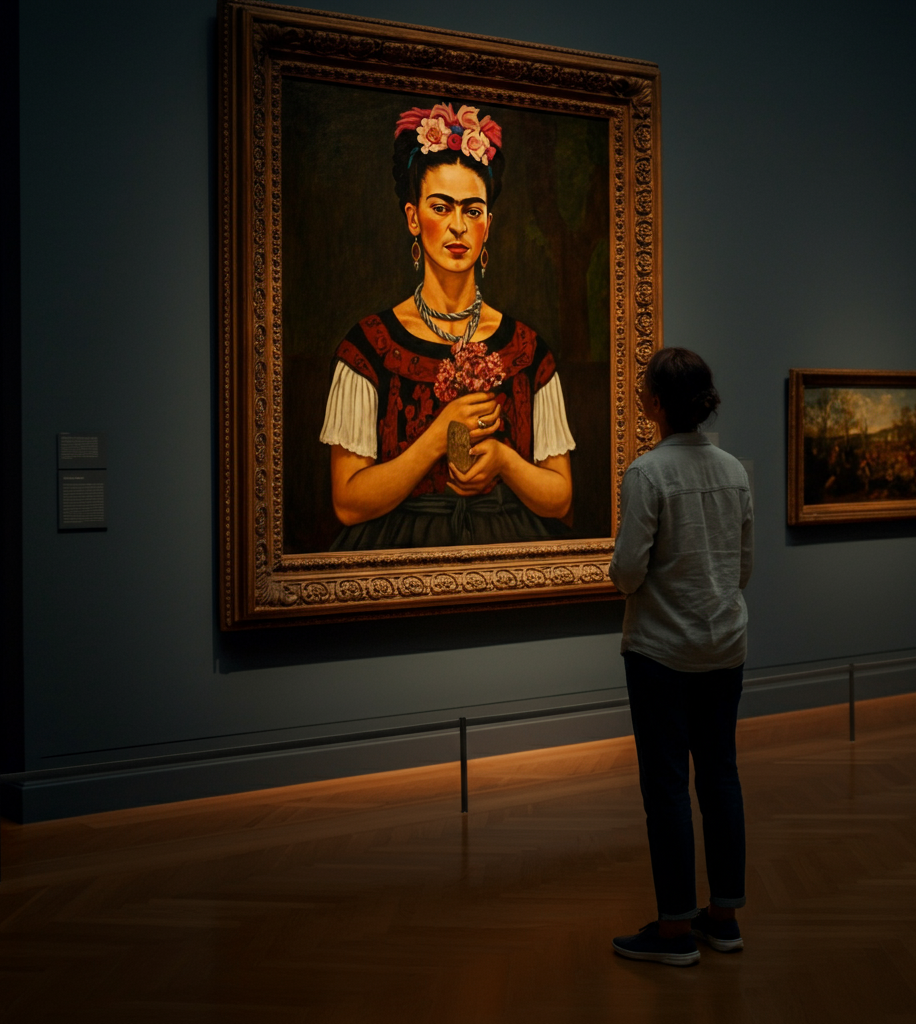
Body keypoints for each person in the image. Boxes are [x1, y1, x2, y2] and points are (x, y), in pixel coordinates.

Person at [319, 101, 575, 550]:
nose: (458, 226)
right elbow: (347, 502)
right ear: (413, 218)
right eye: (441, 207)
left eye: (472, 211)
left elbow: (560, 498)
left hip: (510, 553)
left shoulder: (528, 349)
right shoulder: (368, 347)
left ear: (488, 226)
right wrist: (437, 439)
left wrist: (503, 461)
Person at [608, 347, 753, 967]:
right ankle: (722, 918)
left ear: (659, 403)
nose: (643, 401)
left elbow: (626, 573)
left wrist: (632, 577)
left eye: (646, 393)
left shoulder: (648, 474)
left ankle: (673, 932)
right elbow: (743, 567)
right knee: (720, 776)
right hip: (724, 646)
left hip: (661, 652)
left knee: (666, 786)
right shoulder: (733, 471)